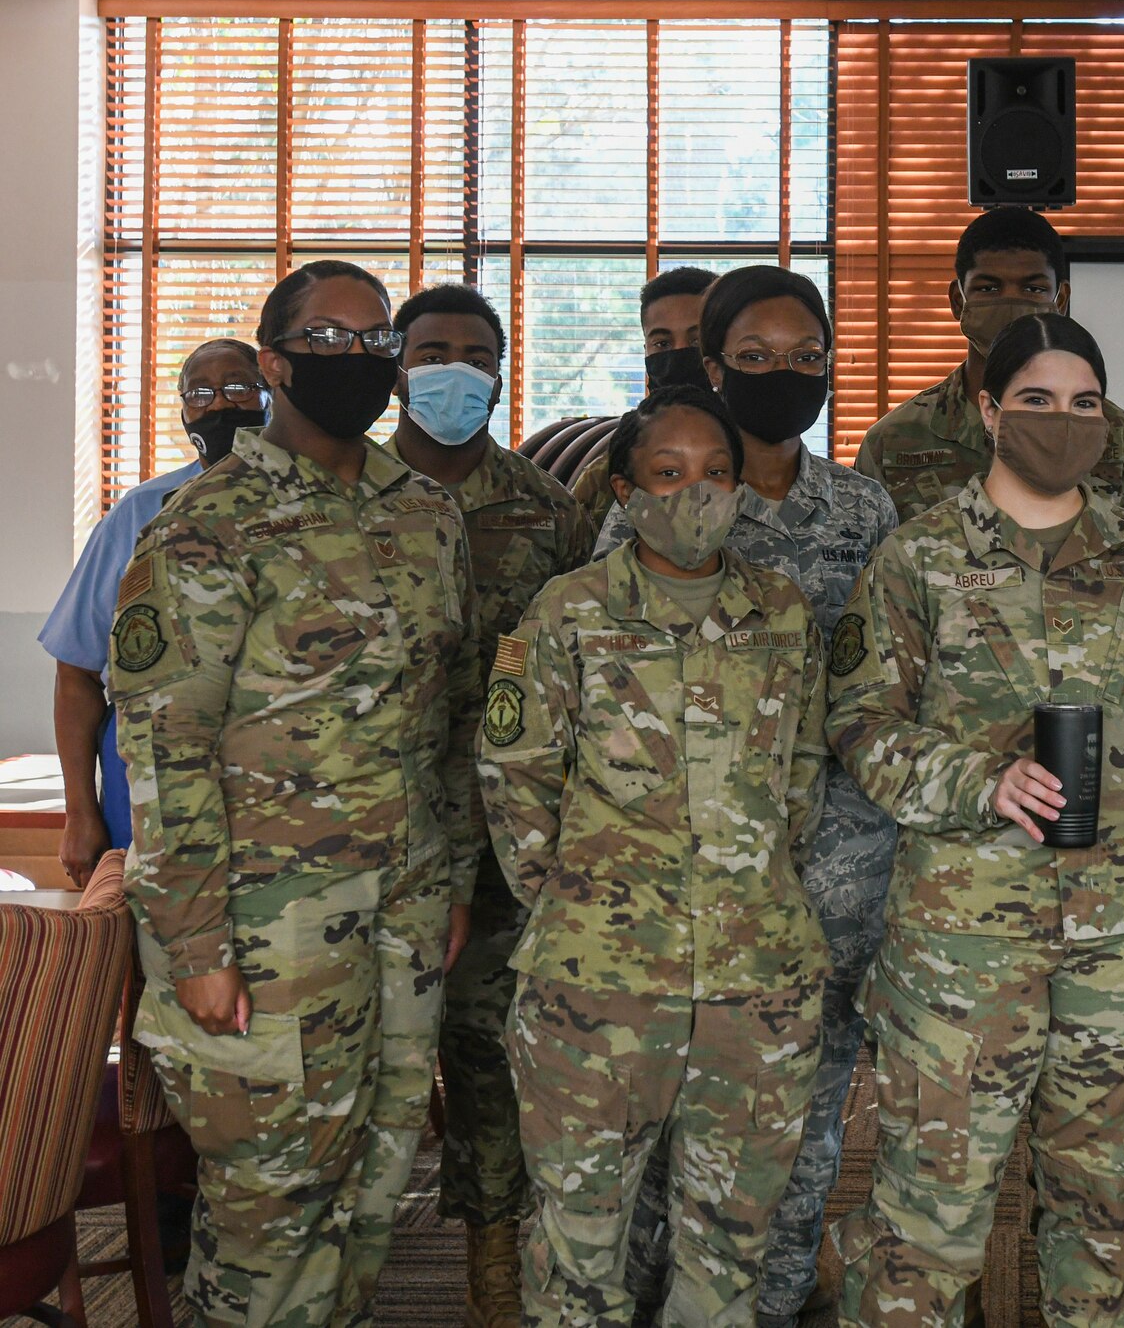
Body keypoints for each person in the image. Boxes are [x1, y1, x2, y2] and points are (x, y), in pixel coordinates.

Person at [106, 259, 485, 1328]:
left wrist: (450, 879)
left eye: (375, 342)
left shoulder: (425, 516)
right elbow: (167, 750)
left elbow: (449, 720)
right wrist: (195, 950)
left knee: (372, 1192)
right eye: (326, 339)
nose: (355, 360)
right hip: (264, 939)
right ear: (272, 362)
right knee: (269, 1211)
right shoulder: (203, 528)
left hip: (402, 922)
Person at [828, 311, 1124, 1328]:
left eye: (1084, 404)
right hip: (963, 947)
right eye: (1034, 400)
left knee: (1111, 1217)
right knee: (924, 1225)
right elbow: (861, 726)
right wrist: (975, 781)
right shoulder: (916, 560)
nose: (1061, 421)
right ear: (988, 409)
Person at [478, 383, 829, 1328]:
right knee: (577, 1246)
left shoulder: (783, 611)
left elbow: (801, 773)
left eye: (717, 473)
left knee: (728, 1246)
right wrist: (578, 904)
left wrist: (747, 882)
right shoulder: (568, 610)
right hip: (596, 986)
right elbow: (515, 779)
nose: (696, 494)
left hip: (757, 982)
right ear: (625, 492)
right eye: (667, 474)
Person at [596, 267, 900, 1328]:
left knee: (808, 1112)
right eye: (757, 358)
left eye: (805, 356)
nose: (785, 374)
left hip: (837, 872)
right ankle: (652, 1297)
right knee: (668, 1111)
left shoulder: (862, 507)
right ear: (713, 365)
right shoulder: (661, 500)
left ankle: (767, 1301)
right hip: (687, 873)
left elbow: (891, 682)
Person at [388, 282, 595, 1328]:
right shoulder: (351, 497)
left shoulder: (547, 511)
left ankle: (491, 1268)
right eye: (433, 351)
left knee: (489, 1058)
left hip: (507, 850)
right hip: (371, 839)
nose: (454, 371)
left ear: (505, 369)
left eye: (476, 353)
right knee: (362, 1074)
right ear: (395, 362)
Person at [41, 338, 267, 886]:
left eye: (239, 388)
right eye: (201, 394)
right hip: (149, 789)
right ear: (183, 409)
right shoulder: (141, 514)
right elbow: (76, 672)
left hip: (276, 784)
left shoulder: (316, 508)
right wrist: (79, 811)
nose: (219, 406)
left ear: (273, 395)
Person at [853, 206, 1124, 532]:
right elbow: (872, 569)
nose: (1010, 304)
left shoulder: (1117, 437)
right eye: (988, 289)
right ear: (958, 301)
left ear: (1060, 301)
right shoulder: (894, 443)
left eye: (1032, 289)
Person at [570, 265, 718, 530]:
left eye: (697, 342)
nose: (679, 354)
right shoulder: (607, 474)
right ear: (646, 350)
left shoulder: (756, 461)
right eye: (662, 344)